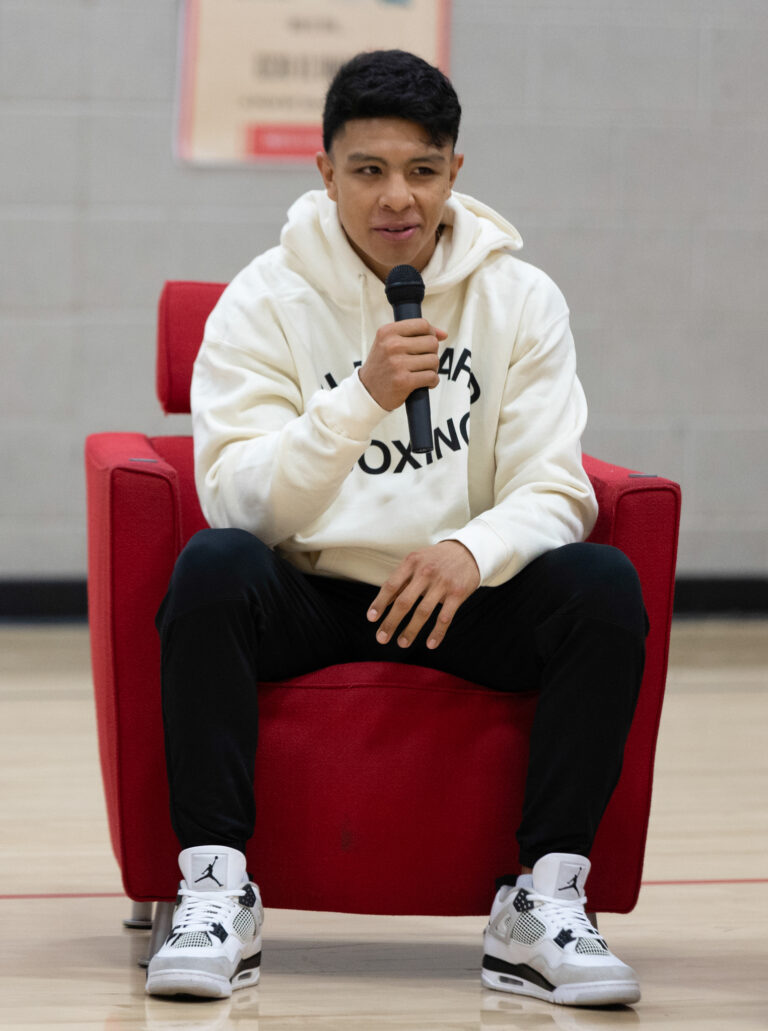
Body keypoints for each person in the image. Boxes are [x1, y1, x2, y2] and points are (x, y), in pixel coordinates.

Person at [146, 49, 647, 1008]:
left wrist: (472, 550)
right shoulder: (263, 300)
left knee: (602, 588)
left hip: (460, 595)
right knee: (212, 568)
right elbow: (240, 503)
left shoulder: (520, 299)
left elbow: (558, 488)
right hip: (312, 589)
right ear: (324, 171)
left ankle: (543, 903)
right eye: (368, 170)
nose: (396, 199)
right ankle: (214, 888)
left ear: (456, 169)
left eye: (421, 170)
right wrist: (361, 397)